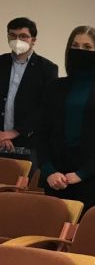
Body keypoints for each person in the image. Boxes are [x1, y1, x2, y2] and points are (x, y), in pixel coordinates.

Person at [37, 26, 95, 212]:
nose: (80, 51)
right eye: (75, 46)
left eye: (87, 47)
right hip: (55, 177)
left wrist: (82, 173)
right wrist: (49, 171)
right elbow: (42, 132)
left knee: (87, 230)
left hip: (92, 178)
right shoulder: (54, 87)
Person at [1, 17, 58, 171]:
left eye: (23, 36)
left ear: (33, 40)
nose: (17, 40)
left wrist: (14, 132)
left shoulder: (47, 69)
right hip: (0, 138)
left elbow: (46, 108)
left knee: (22, 184)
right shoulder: (1, 62)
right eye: (12, 35)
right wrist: (2, 135)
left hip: (29, 142)